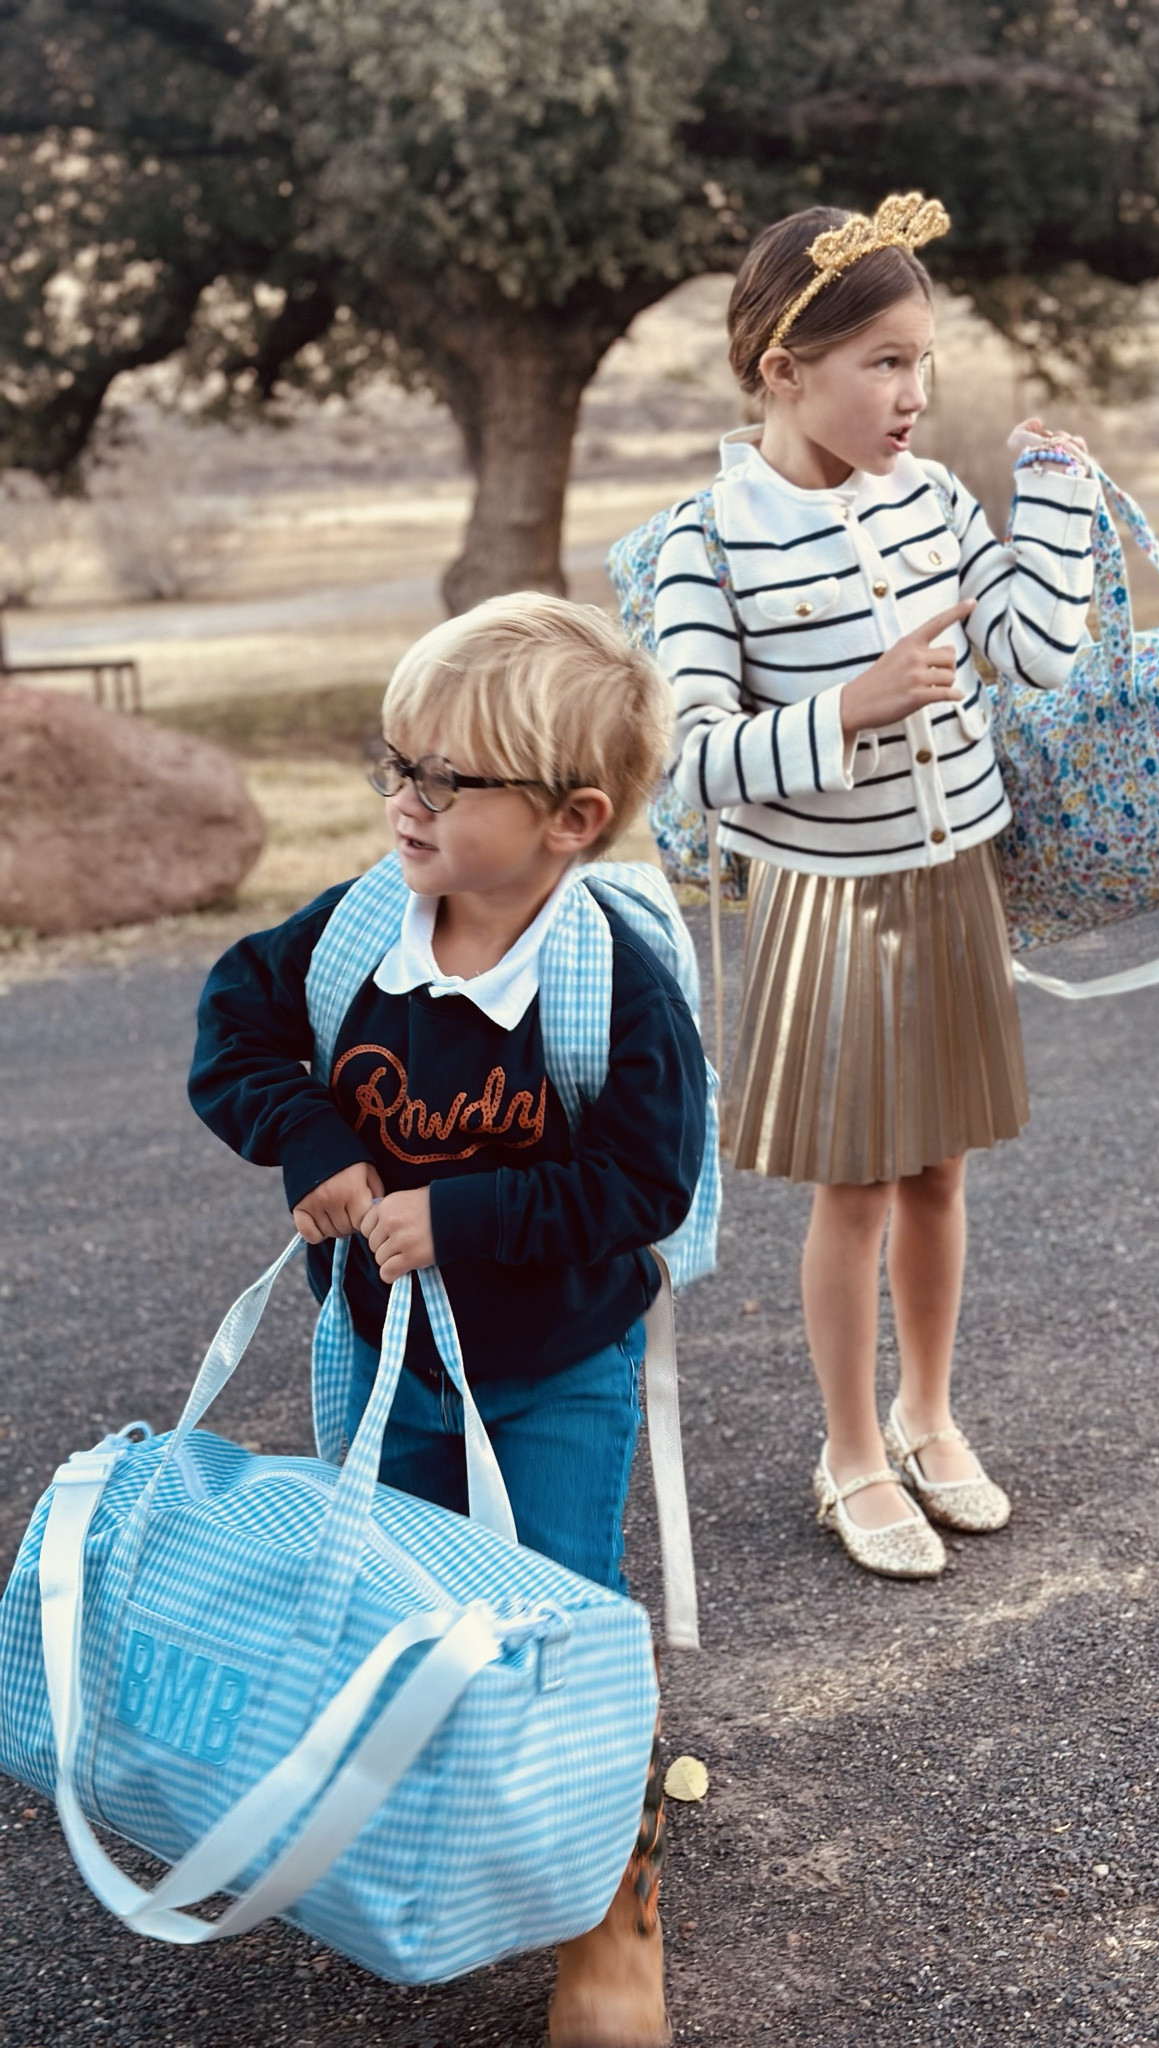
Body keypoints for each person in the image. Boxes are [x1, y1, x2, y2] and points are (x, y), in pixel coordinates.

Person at [189, 592, 707, 2048]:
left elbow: (646, 1184)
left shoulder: (612, 986)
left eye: (448, 779)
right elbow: (235, 1028)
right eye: (397, 764)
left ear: (571, 820)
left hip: (556, 1370)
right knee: (395, 1601)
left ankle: (611, 1913)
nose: (405, 801)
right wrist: (308, 1139)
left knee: (557, 1615)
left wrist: (463, 1217)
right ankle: (430, 1826)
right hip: (381, 1358)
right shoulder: (355, 931)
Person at [654, 192, 1099, 1579]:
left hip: (953, 874)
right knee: (852, 1188)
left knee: (939, 1169)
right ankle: (849, 1450)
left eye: (924, 362)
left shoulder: (937, 499)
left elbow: (1039, 652)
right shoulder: (704, 539)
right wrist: (849, 707)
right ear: (784, 369)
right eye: (885, 362)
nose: (916, 394)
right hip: (827, 900)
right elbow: (694, 761)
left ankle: (928, 1415)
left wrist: (1057, 499)